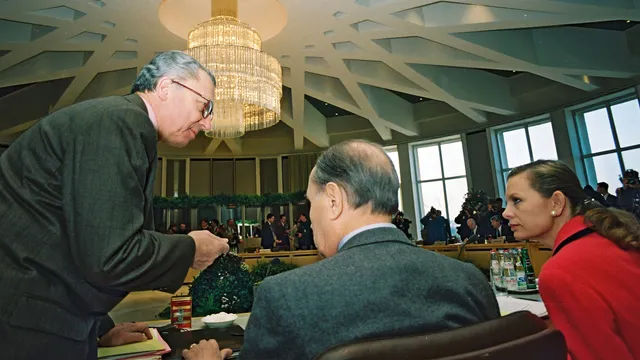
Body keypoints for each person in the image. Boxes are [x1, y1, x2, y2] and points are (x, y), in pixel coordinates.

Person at [0, 51, 230, 359]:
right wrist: (190, 249)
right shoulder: (118, 123)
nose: (208, 124)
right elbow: (109, 256)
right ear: (165, 88)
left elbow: (67, 243)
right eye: (205, 106)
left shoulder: (113, 122)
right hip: (31, 330)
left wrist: (100, 329)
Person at [184, 139, 499, 360]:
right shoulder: (469, 280)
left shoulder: (284, 295)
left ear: (333, 200)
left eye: (311, 202)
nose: (308, 217)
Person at [503, 160, 640, 360]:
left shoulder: (560, 271)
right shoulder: (608, 238)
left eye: (516, 200)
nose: (506, 212)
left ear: (556, 203)